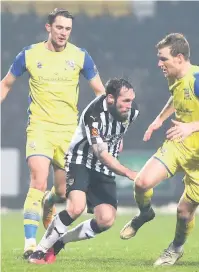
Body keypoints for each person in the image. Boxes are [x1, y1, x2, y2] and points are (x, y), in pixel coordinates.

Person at [119, 33, 199, 266]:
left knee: (183, 212)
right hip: (178, 145)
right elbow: (176, 97)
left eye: (163, 59)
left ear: (179, 58)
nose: (159, 64)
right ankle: (145, 214)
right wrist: (159, 119)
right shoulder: (174, 76)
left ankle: (176, 248)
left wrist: (191, 127)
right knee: (141, 183)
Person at [0, 8, 105, 259]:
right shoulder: (29, 54)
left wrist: (99, 127)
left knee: (61, 191)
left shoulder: (80, 56)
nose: (63, 33)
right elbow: (5, 84)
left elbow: (101, 92)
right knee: (38, 179)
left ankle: (49, 202)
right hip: (39, 127)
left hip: (69, 132)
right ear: (49, 27)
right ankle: (29, 244)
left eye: (68, 29)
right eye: (59, 28)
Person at [28, 78, 139, 264]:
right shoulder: (93, 115)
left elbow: (119, 133)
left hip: (103, 169)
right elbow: (101, 154)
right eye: (125, 101)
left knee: (106, 220)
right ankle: (39, 250)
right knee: (76, 207)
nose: (130, 105)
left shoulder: (131, 113)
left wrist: (118, 141)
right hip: (81, 161)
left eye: (131, 100)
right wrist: (129, 173)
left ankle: (60, 242)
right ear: (110, 98)